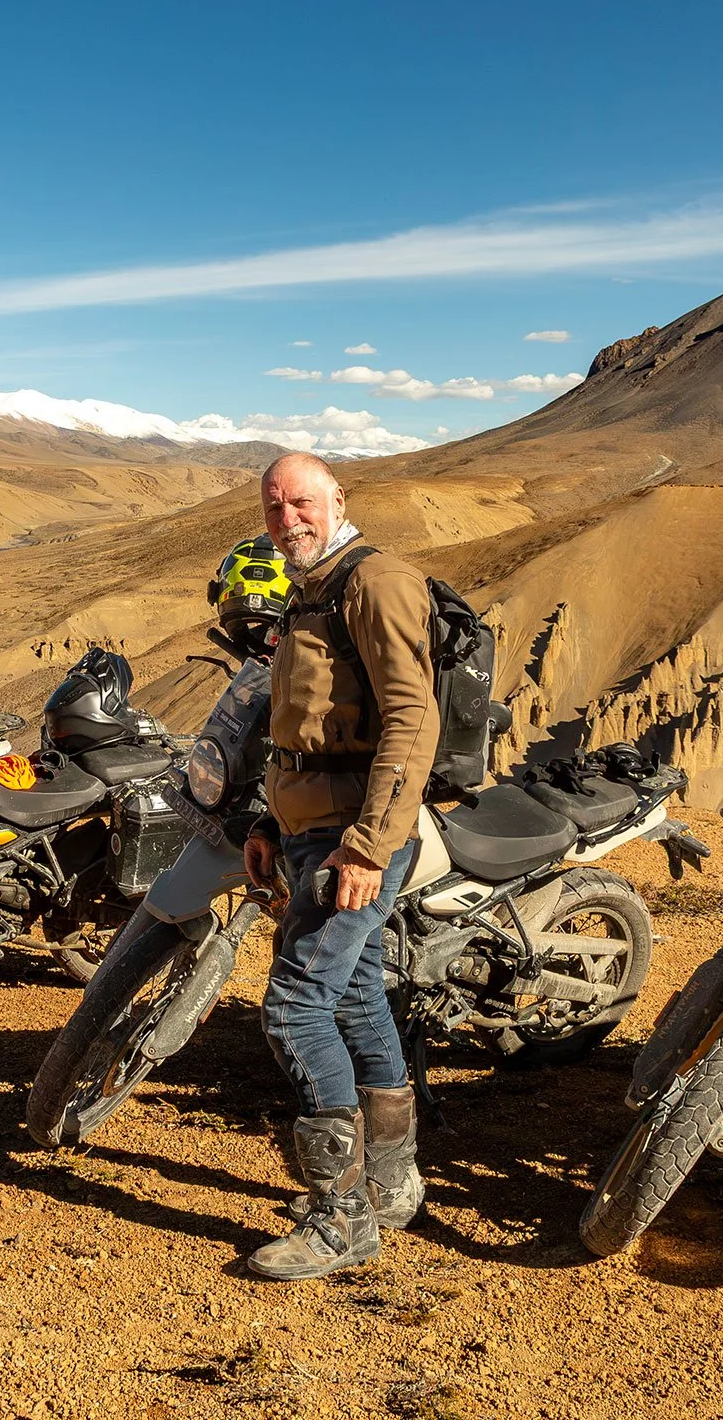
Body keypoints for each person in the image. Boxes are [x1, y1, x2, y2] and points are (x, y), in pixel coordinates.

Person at [241, 451, 440, 1281]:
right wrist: (264, 812)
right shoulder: (311, 587)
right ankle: (393, 1179)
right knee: (354, 993)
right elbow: (303, 721)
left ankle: (341, 1217)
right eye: (276, 508)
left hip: (353, 834)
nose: (289, 520)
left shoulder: (376, 581)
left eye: (303, 503)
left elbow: (411, 717)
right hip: (306, 824)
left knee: (294, 1007)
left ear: (338, 500)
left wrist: (367, 844)